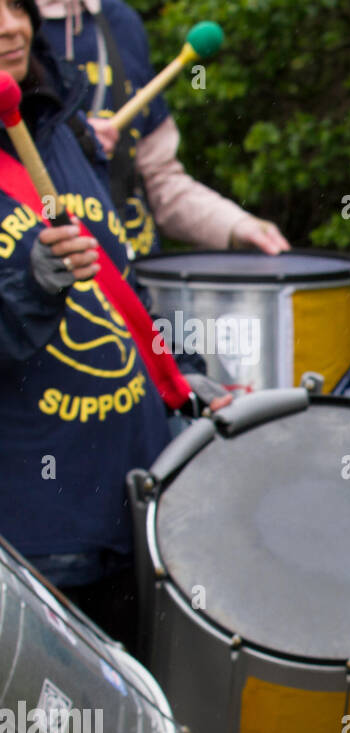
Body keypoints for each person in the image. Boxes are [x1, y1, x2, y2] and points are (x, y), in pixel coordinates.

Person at [0, 0, 212, 650]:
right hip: (41, 532)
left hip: (132, 501)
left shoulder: (59, 131)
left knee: (147, 722)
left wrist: (186, 381)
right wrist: (30, 285)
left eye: (15, 5)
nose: (8, 25)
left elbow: (117, 286)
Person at [36, 0, 289, 257]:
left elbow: (162, 180)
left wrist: (235, 225)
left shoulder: (121, 23)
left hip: (132, 271)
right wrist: (66, 143)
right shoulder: (14, 37)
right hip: (45, 275)